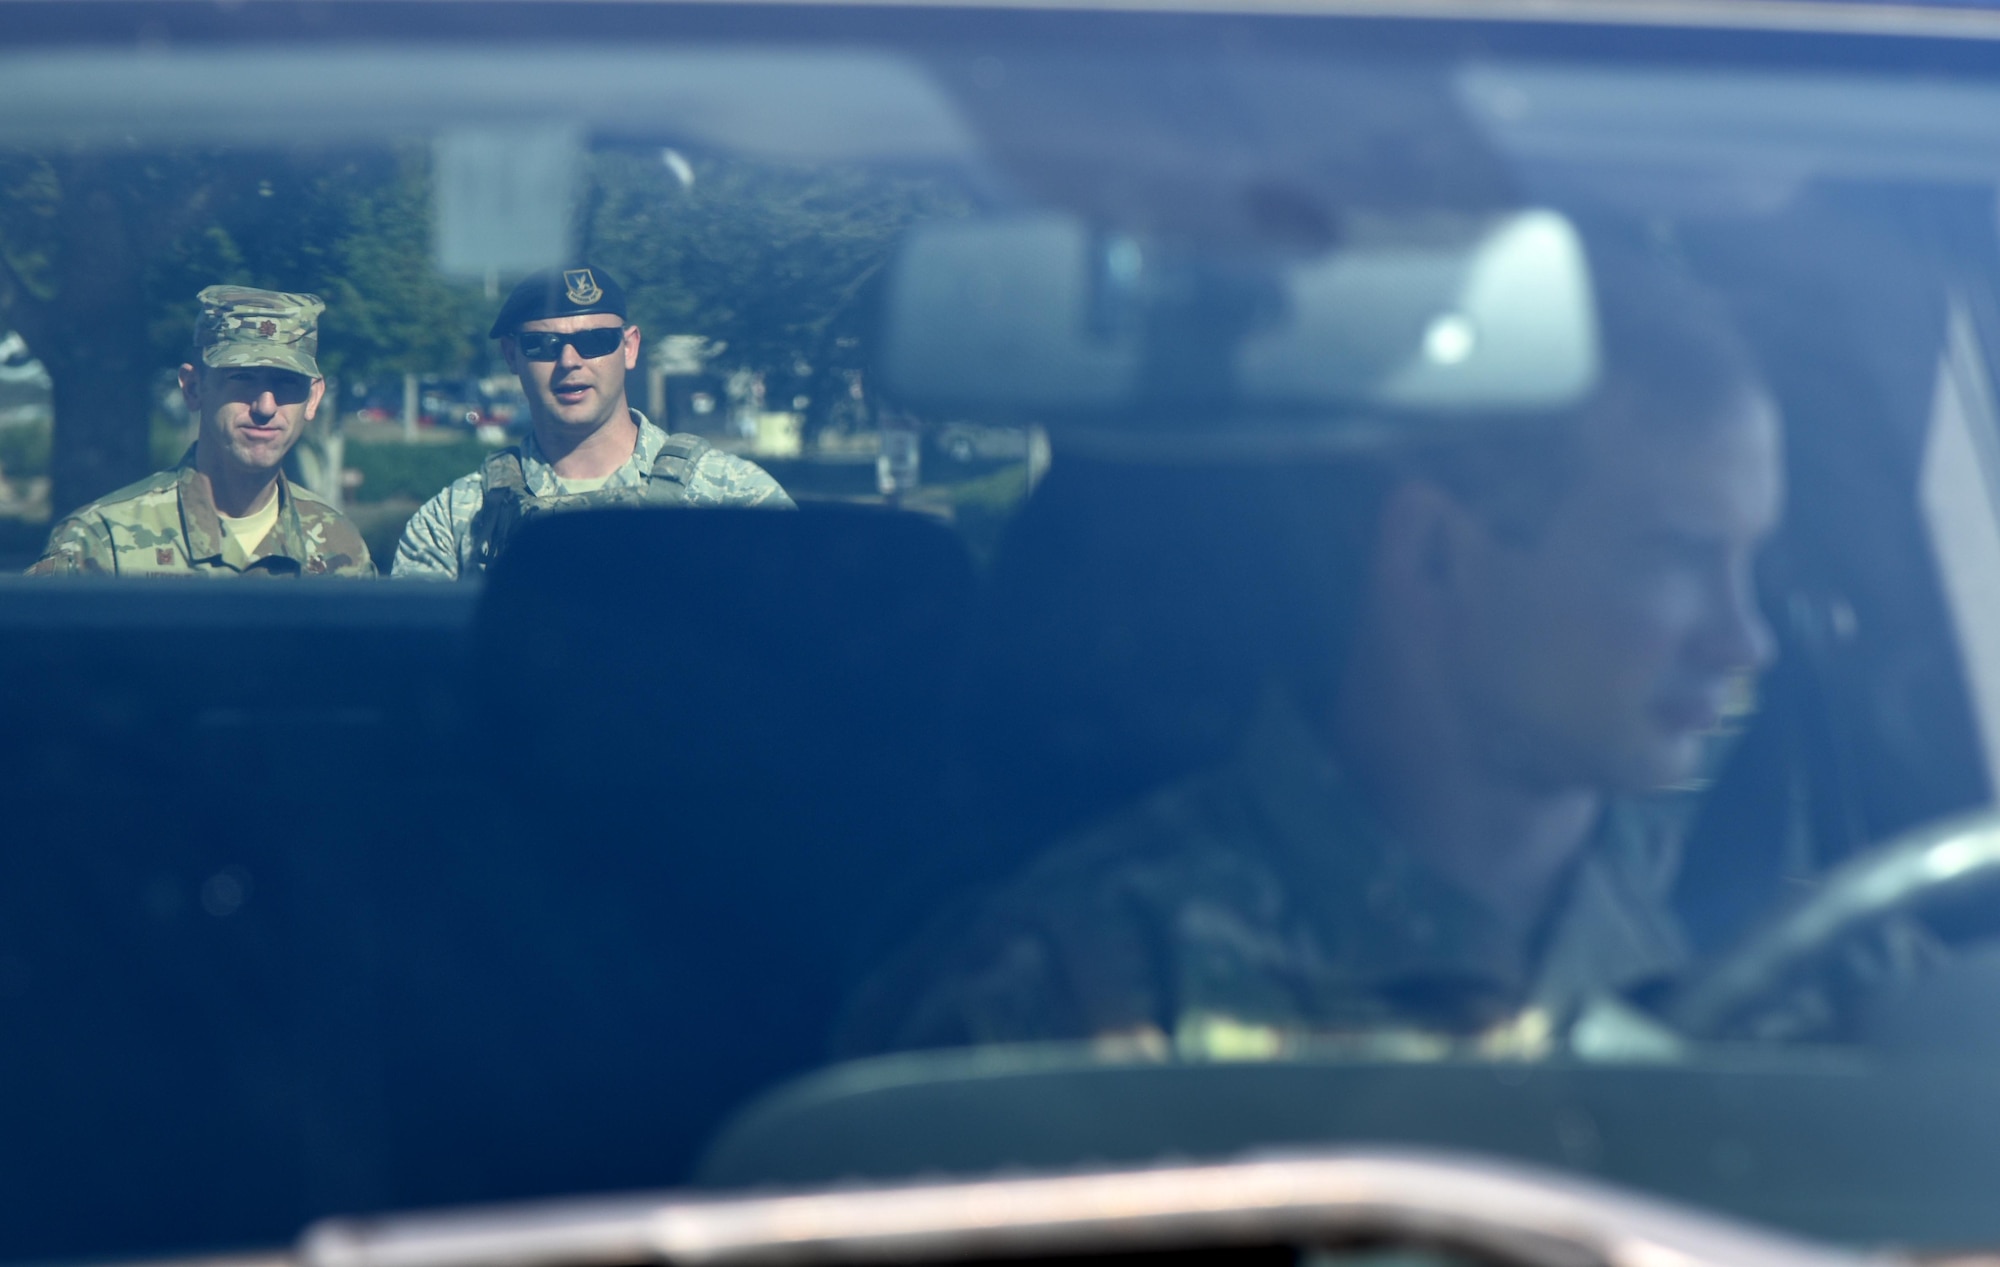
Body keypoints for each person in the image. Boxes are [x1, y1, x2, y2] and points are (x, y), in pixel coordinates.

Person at [841, 266, 1784, 1061]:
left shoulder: (1785, 972)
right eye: (1673, 556)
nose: (1743, 640)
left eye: (1750, 563)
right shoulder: (1082, 984)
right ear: (1435, 556)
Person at [392, 265, 794, 580]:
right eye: (543, 345)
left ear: (630, 347)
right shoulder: (456, 520)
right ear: (512, 356)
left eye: (596, 341)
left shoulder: (732, 497)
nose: (569, 361)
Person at [28, 286, 375, 578]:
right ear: (194, 388)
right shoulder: (102, 543)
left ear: (313, 398)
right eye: (242, 378)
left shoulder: (338, 546)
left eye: (286, 383)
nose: (265, 406)